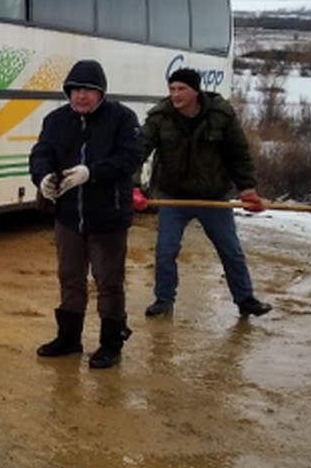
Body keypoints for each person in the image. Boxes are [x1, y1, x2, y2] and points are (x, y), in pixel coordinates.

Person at [30, 59, 143, 369]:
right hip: (68, 216)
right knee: (70, 277)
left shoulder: (122, 118)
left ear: (101, 92)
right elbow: (41, 153)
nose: (81, 97)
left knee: (108, 281)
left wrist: (91, 172)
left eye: (88, 91)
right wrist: (42, 177)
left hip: (108, 217)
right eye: (75, 90)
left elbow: (131, 157)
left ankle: (110, 343)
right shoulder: (56, 120)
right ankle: (68, 338)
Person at [138, 67, 271, 318]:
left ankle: (245, 299)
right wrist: (133, 186)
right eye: (172, 89)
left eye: (181, 89)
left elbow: (238, 154)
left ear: (195, 91)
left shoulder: (221, 115)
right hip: (174, 196)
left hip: (213, 197)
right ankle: (164, 299)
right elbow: (137, 151)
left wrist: (248, 189)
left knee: (230, 249)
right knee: (165, 251)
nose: (175, 95)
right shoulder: (160, 117)